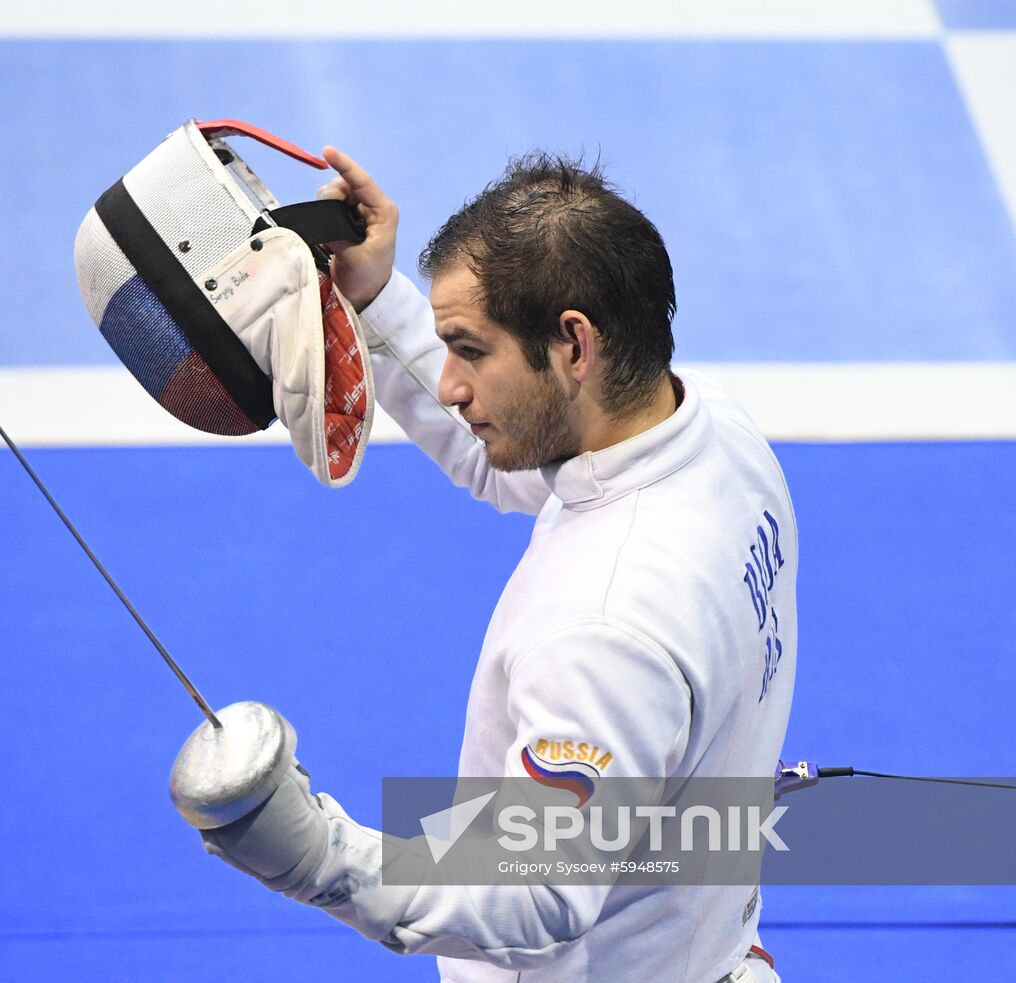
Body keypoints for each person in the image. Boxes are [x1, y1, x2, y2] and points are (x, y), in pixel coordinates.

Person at [178, 147, 798, 983]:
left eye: (470, 350)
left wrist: (323, 857)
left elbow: (537, 893)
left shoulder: (604, 625)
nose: (454, 386)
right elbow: (508, 460)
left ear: (574, 343)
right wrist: (374, 300)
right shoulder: (713, 430)